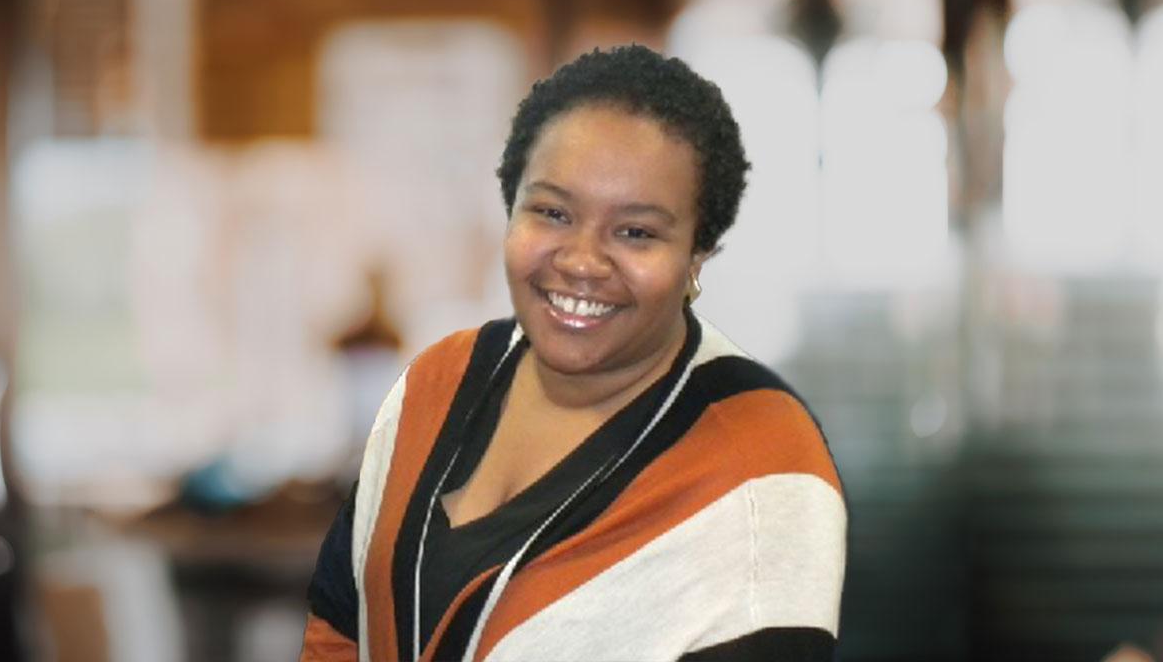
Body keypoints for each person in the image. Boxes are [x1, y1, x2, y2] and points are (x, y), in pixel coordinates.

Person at [298, 45, 846, 662]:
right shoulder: (436, 382)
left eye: (636, 232)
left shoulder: (759, 465)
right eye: (553, 212)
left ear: (697, 256)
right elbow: (339, 626)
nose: (582, 261)